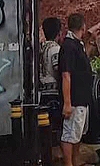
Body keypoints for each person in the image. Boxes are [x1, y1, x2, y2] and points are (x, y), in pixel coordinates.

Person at [58, 13, 93, 166]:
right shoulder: (68, 46)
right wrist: (67, 102)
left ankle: (76, 160)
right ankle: (68, 163)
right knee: (69, 134)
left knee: (78, 133)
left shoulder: (78, 44)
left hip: (83, 98)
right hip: (74, 99)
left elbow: (83, 61)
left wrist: (90, 42)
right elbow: (66, 75)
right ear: (83, 27)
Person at [40, 17, 63, 145]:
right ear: (58, 33)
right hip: (53, 92)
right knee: (55, 125)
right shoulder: (55, 49)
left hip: (42, 91)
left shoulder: (42, 48)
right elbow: (58, 69)